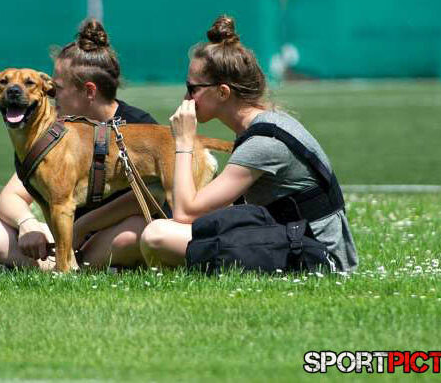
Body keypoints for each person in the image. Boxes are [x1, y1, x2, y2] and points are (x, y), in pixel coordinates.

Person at [140, 15, 358, 273]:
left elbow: (186, 212)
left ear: (223, 92)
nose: (186, 97)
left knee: (157, 235)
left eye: (192, 88)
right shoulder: (264, 125)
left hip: (316, 256)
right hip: (295, 241)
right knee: (143, 235)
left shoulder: (264, 143)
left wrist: (184, 141)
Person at [0, 18, 159, 270]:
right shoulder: (53, 129)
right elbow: (11, 196)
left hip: (110, 234)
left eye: (58, 88)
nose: (49, 93)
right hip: (67, 234)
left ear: (89, 92)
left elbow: (151, 196)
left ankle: (69, 264)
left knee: (135, 232)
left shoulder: (139, 126)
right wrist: (27, 223)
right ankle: (69, 264)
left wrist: (85, 226)